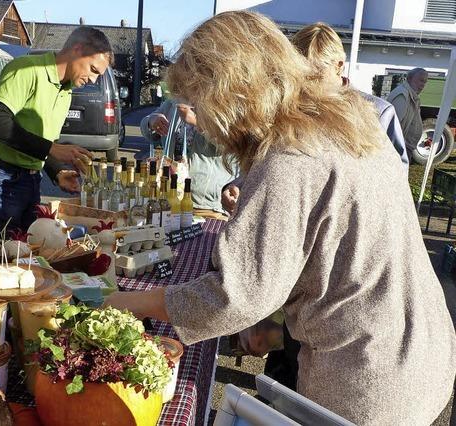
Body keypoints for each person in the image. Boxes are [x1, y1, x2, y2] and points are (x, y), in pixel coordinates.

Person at [105, 11, 456, 424]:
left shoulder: (289, 155)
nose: (201, 121)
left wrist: (121, 302)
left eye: (198, 102)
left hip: (367, 382)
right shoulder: (345, 117)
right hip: (425, 353)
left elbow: (233, 297)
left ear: (226, 94)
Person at [222, 23, 409, 216]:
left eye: (316, 75)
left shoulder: (378, 112)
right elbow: (268, 160)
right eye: (301, 75)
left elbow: (396, 176)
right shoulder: (290, 109)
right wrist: (239, 185)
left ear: (339, 66)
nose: (308, 84)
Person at [0, 27, 113, 241]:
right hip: (2, 175)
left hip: (31, 178)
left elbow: (41, 140)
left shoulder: (66, 90)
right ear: (77, 49)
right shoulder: (26, 69)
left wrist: (57, 171)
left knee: (33, 249)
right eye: (93, 70)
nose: (94, 80)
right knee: (8, 255)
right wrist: (52, 149)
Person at [140, 99, 238, 219]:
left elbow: (232, 145)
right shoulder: (175, 99)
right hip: (167, 198)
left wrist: (197, 122)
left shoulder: (224, 102)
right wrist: (152, 120)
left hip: (204, 206)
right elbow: (148, 131)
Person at [387, 67, 428, 157]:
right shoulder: (402, 95)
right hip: (397, 148)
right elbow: (394, 126)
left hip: (404, 147)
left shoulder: (412, 95)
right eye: (421, 80)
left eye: (425, 82)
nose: (423, 85)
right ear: (409, 79)